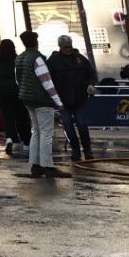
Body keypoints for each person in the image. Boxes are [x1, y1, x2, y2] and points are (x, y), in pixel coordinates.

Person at [16, 30, 68, 179]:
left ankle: (35, 165)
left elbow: (18, 80)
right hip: (42, 101)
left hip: (27, 99)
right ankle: (48, 166)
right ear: (36, 42)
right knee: (46, 133)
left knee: (36, 132)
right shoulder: (37, 58)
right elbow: (46, 81)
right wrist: (58, 101)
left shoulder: (20, 58)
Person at [47, 34, 95, 162]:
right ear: (60, 46)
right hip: (63, 101)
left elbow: (91, 73)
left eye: (70, 46)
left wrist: (91, 84)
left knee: (82, 125)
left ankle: (87, 149)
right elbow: (48, 80)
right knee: (68, 126)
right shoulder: (53, 61)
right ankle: (75, 150)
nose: (68, 49)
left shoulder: (80, 58)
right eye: (65, 47)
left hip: (80, 98)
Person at [0, 38, 30, 156]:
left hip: (2, 91)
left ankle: (9, 139)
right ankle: (27, 142)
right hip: (16, 90)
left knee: (8, 117)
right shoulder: (16, 58)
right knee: (22, 117)